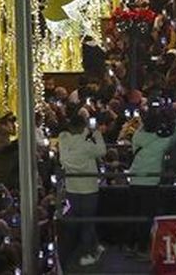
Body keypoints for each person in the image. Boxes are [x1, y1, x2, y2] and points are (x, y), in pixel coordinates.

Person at [56, 108, 105, 267]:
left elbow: (64, 159)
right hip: (89, 187)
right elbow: (102, 151)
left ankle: (92, 247)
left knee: (80, 220)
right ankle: (90, 252)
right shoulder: (88, 142)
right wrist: (96, 134)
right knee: (87, 221)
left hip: (72, 188)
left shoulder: (64, 139)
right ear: (84, 126)